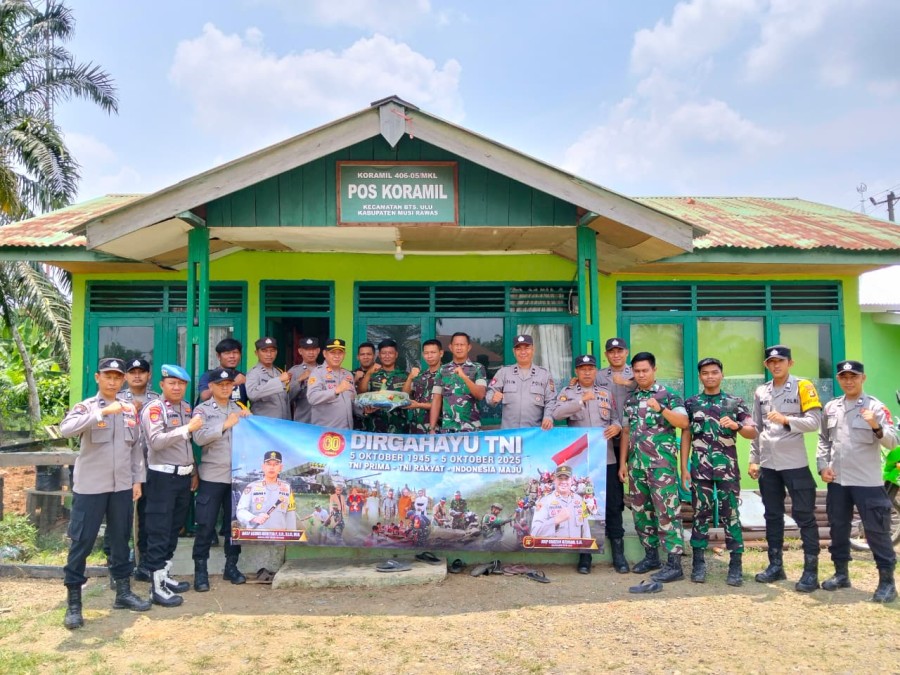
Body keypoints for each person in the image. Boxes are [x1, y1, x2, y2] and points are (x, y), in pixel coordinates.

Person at [59, 358, 151, 629]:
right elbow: (66, 429)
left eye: (117, 377)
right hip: (91, 488)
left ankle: (122, 593)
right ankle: (74, 602)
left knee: (121, 540)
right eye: (107, 376)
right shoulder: (86, 407)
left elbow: (135, 448)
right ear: (98, 377)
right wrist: (102, 413)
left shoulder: (128, 410)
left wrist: (137, 480)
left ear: (122, 380)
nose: (112, 381)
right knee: (82, 542)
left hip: (121, 486)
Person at [817, 360, 898, 602]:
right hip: (838, 481)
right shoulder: (831, 407)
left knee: (876, 530)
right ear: (839, 379)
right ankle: (841, 573)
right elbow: (824, 440)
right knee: (838, 528)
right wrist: (822, 467)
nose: (848, 381)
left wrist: (875, 425)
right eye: (844, 377)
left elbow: (893, 442)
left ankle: (887, 582)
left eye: (853, 376)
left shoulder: (876, 407)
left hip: (867, 482)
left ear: (863, 378)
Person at [749, 344, 823, 592]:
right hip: (769, 466)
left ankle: (810, 572)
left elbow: (814, 422)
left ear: (790, 363)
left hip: (795, 465)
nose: (776, 365)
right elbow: (756, 429)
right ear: (766, 365)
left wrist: (787, 419)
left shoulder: (803, 386)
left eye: (780, 361)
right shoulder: (761, 392)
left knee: (804, 517)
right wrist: (753, 459)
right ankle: (775, 566)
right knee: (772, 516)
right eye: (771, 362)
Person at [680, 358, 757, 585]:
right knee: (699, 515)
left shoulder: (735, 403)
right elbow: (686, 435)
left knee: (730, 515)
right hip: (700, 470)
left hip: (727, 471)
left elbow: (753, 432)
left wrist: (738, 426)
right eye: (705, 373)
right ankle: (698, 563)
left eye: (714, 372)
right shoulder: (691, 403)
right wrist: (683, 467)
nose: (710, 376)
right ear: (700, 376)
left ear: (722, 374)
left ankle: (735, 565)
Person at [618, 351, 689, 584]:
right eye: (636, 371)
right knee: (640, 513)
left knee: (666, 513)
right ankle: (651, 557)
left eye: (644, 370)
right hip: (637, 466)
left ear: (654, 370)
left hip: (661, 467)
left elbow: (683, 423)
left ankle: (674, 563)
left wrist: (661, 409)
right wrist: (623, 463)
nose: (640, 375)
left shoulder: (668, 395)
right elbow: (627, 432)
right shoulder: (630, 399)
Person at [553, 354, 624, 574]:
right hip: (582, 463)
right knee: (582, 507)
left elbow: (615, 418)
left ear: (595, 371)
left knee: (612, 506)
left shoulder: (606, 393)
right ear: (576, 371)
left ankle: (619, 555)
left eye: (590, 368)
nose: (586, 372)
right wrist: (580, 401)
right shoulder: (567, 393)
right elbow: (556, 414)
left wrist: (617, 427)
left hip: (607, 459)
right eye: (582, 368)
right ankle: (585, 556)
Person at [140, 364, 203, 607]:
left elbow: (187, 447)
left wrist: (194, 470)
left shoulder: (186, 407)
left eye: (181, 383)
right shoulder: (155, 409)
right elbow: (155, 442)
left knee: (174, 528)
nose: (177, 387)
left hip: (183, 476)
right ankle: (156, 587)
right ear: (162, 384)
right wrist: (187, 428)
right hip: (162, 478)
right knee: (158, 529)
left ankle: (164, 576)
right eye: (172, 383)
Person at [190, 368, 251, 592]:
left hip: (237, 476)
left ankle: (231, 567)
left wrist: (248, 420)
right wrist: (225, 424)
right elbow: (198, 438)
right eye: (220, 384)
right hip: (213, 476)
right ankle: (200, 571)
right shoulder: (202, 410)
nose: (226, 388)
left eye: (229, 384)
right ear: (212, 387)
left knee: (233, 525)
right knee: (205, 524)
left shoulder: (241, 409)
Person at [107, 357, 159, 579]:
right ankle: (114, 562)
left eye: (142, 371)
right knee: (119, 516)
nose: (137, 375)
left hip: (151, 465)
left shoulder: (158, 399)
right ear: (126, 376)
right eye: (132, 372)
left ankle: (144, 563)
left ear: (149, 375)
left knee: (148, 516)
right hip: (121, 466)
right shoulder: (115, 400)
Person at [486, 334, 556, 430]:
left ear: (533, 350)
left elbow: (551, 400)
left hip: (534, 434)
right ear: (514, 352)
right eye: (518, 349)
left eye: (527, 348)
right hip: (509, 434)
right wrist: (492, 398)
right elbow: (490, 392)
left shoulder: (544, 374)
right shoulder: (504, 372)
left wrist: (548, 417)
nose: (523, 352)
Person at [429, 332, 488, 433]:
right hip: (448, 428)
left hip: (471, 428)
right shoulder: (442, 369)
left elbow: (480, 395)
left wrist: (464, 377)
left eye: (462, 345)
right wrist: (432, 427)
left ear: (468, 347)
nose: (459, 348)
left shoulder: (478, 368)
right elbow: (437, 399)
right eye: (456, 345)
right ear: (450, 347)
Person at [235, 451, 297, 530]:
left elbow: (290, 515)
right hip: (256, 536)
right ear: (263, 467)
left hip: (279, 537)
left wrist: (291, 537)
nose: (272, 467)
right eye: (269, 464)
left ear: (280, 467)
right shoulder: (252, 487)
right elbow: (241, 511)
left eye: (276, 464)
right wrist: (254, 518)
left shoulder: (287, 488)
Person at [358, 339, 410, 433]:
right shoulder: (372, 375)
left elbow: (408, 397)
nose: (387, 356)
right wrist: (368, 373)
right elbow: (361, 392)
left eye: (390, 353)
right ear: (379, 355)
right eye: (384, 353)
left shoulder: (405, 376)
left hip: (400, 428)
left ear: (396, 355)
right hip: (375, 427)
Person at [530, 465, 591, 540]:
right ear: (555, 480)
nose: (563, 482)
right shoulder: (544, 501)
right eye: (560, 478)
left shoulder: (580, 500)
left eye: (566, 478)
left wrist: (587, 549)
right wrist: (555, 520)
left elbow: (585, 529)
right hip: (555, 551)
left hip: (576, 550)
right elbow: (534, 533)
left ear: (571, 480)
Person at [307, 339, 356, 429]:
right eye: (333, 353)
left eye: (340, 353)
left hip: (346, 430)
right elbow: (312, 398)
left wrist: (364, 410)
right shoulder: (318, 373)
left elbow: (352, 402)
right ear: (325, 354)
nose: (337, 356)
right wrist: (336, 391)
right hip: (326, 432)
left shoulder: (348, 375)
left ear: (344, 355)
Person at [245, 336, 291, 419]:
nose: (269, 354)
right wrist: (279, 380)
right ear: (256, 353)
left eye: (272, 351)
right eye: (264, 351)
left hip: (282, 423)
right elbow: (252, 394)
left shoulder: (279, 372)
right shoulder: (254, 373)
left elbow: (285, 401)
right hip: (264, 425)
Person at [403, 339, 443, 433]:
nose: (429, 356)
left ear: (441, 353)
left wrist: (418, 405)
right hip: (416, 429)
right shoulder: (421, 376)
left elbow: (443, 404)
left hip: (436, 430)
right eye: (426, 353)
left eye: (433, 352)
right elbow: (404, 395)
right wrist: (409, 378)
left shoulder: (447, 375)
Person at [196, 338, 249, 406]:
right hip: (214, 415)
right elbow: (205, 396)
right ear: (218, 356)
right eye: (227, 353)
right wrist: (233, 383)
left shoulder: (242, 377)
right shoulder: (209, 375)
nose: (232, 356)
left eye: (235, 352)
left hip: (238, 415)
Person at [287, 336, 321, 423]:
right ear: (300, 351)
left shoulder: (324, 370)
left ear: (318, 351)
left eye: (313, 349)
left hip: (322, 420)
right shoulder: (294, 371)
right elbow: (287, 398)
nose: (311, 353)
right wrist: (299, 380)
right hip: (303, 419)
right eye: (307, 349)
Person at [353, 342, 377, 430]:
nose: (365, 357)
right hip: (358, 426)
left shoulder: (382, 375)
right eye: (362, 354)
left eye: (369, 354)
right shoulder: (350, 375)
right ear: (358, 357)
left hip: (380, 425)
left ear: (374, 356)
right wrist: (355, 380)